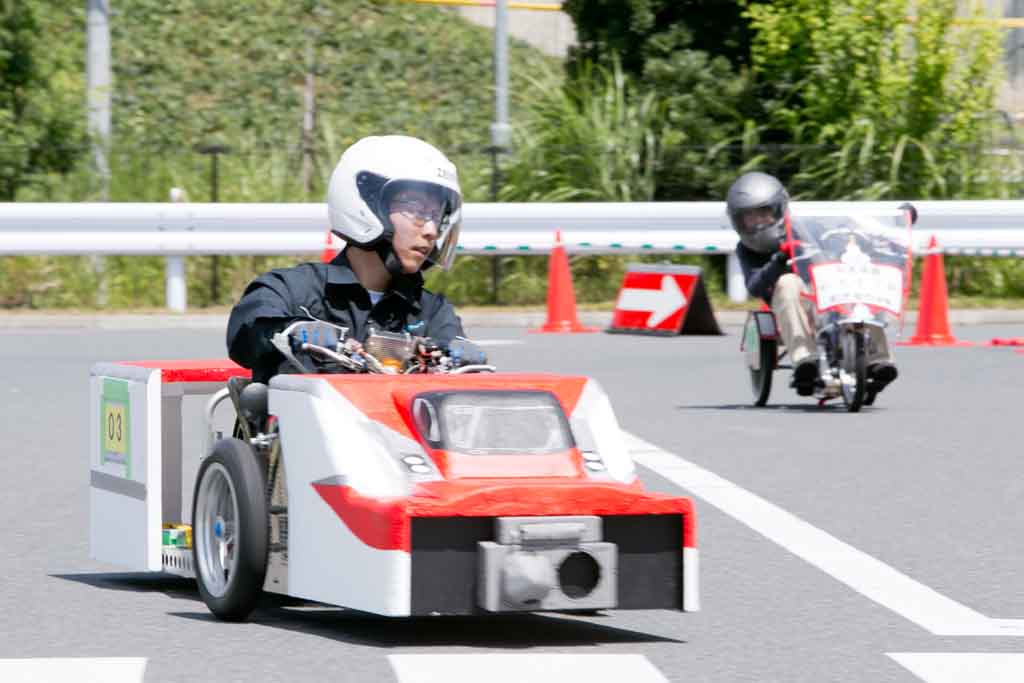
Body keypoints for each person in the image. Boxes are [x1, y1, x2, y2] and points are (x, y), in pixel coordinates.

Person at [227, 135, 465, 383]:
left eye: (435, 215)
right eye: (416, 210)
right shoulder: (290, 290)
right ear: (367, 204)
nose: (431, 230)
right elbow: (245, 335)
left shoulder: (431, 311)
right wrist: (295, 331)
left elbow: (458, 367)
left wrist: (464, 355)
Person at [726, 171, 897, 395]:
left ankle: (878, 359)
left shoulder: (803, 227)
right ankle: (805, 360)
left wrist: (870, 240)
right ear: (739, 221)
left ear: (778, 210)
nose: (757, 221)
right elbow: (755, 286)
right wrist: (778, 261)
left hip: (828, 291)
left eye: (763, 213)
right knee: (788, 282)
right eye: (750, 217)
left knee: (859, 279)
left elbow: (836, 241)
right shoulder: (746, 249)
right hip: (793, 304)